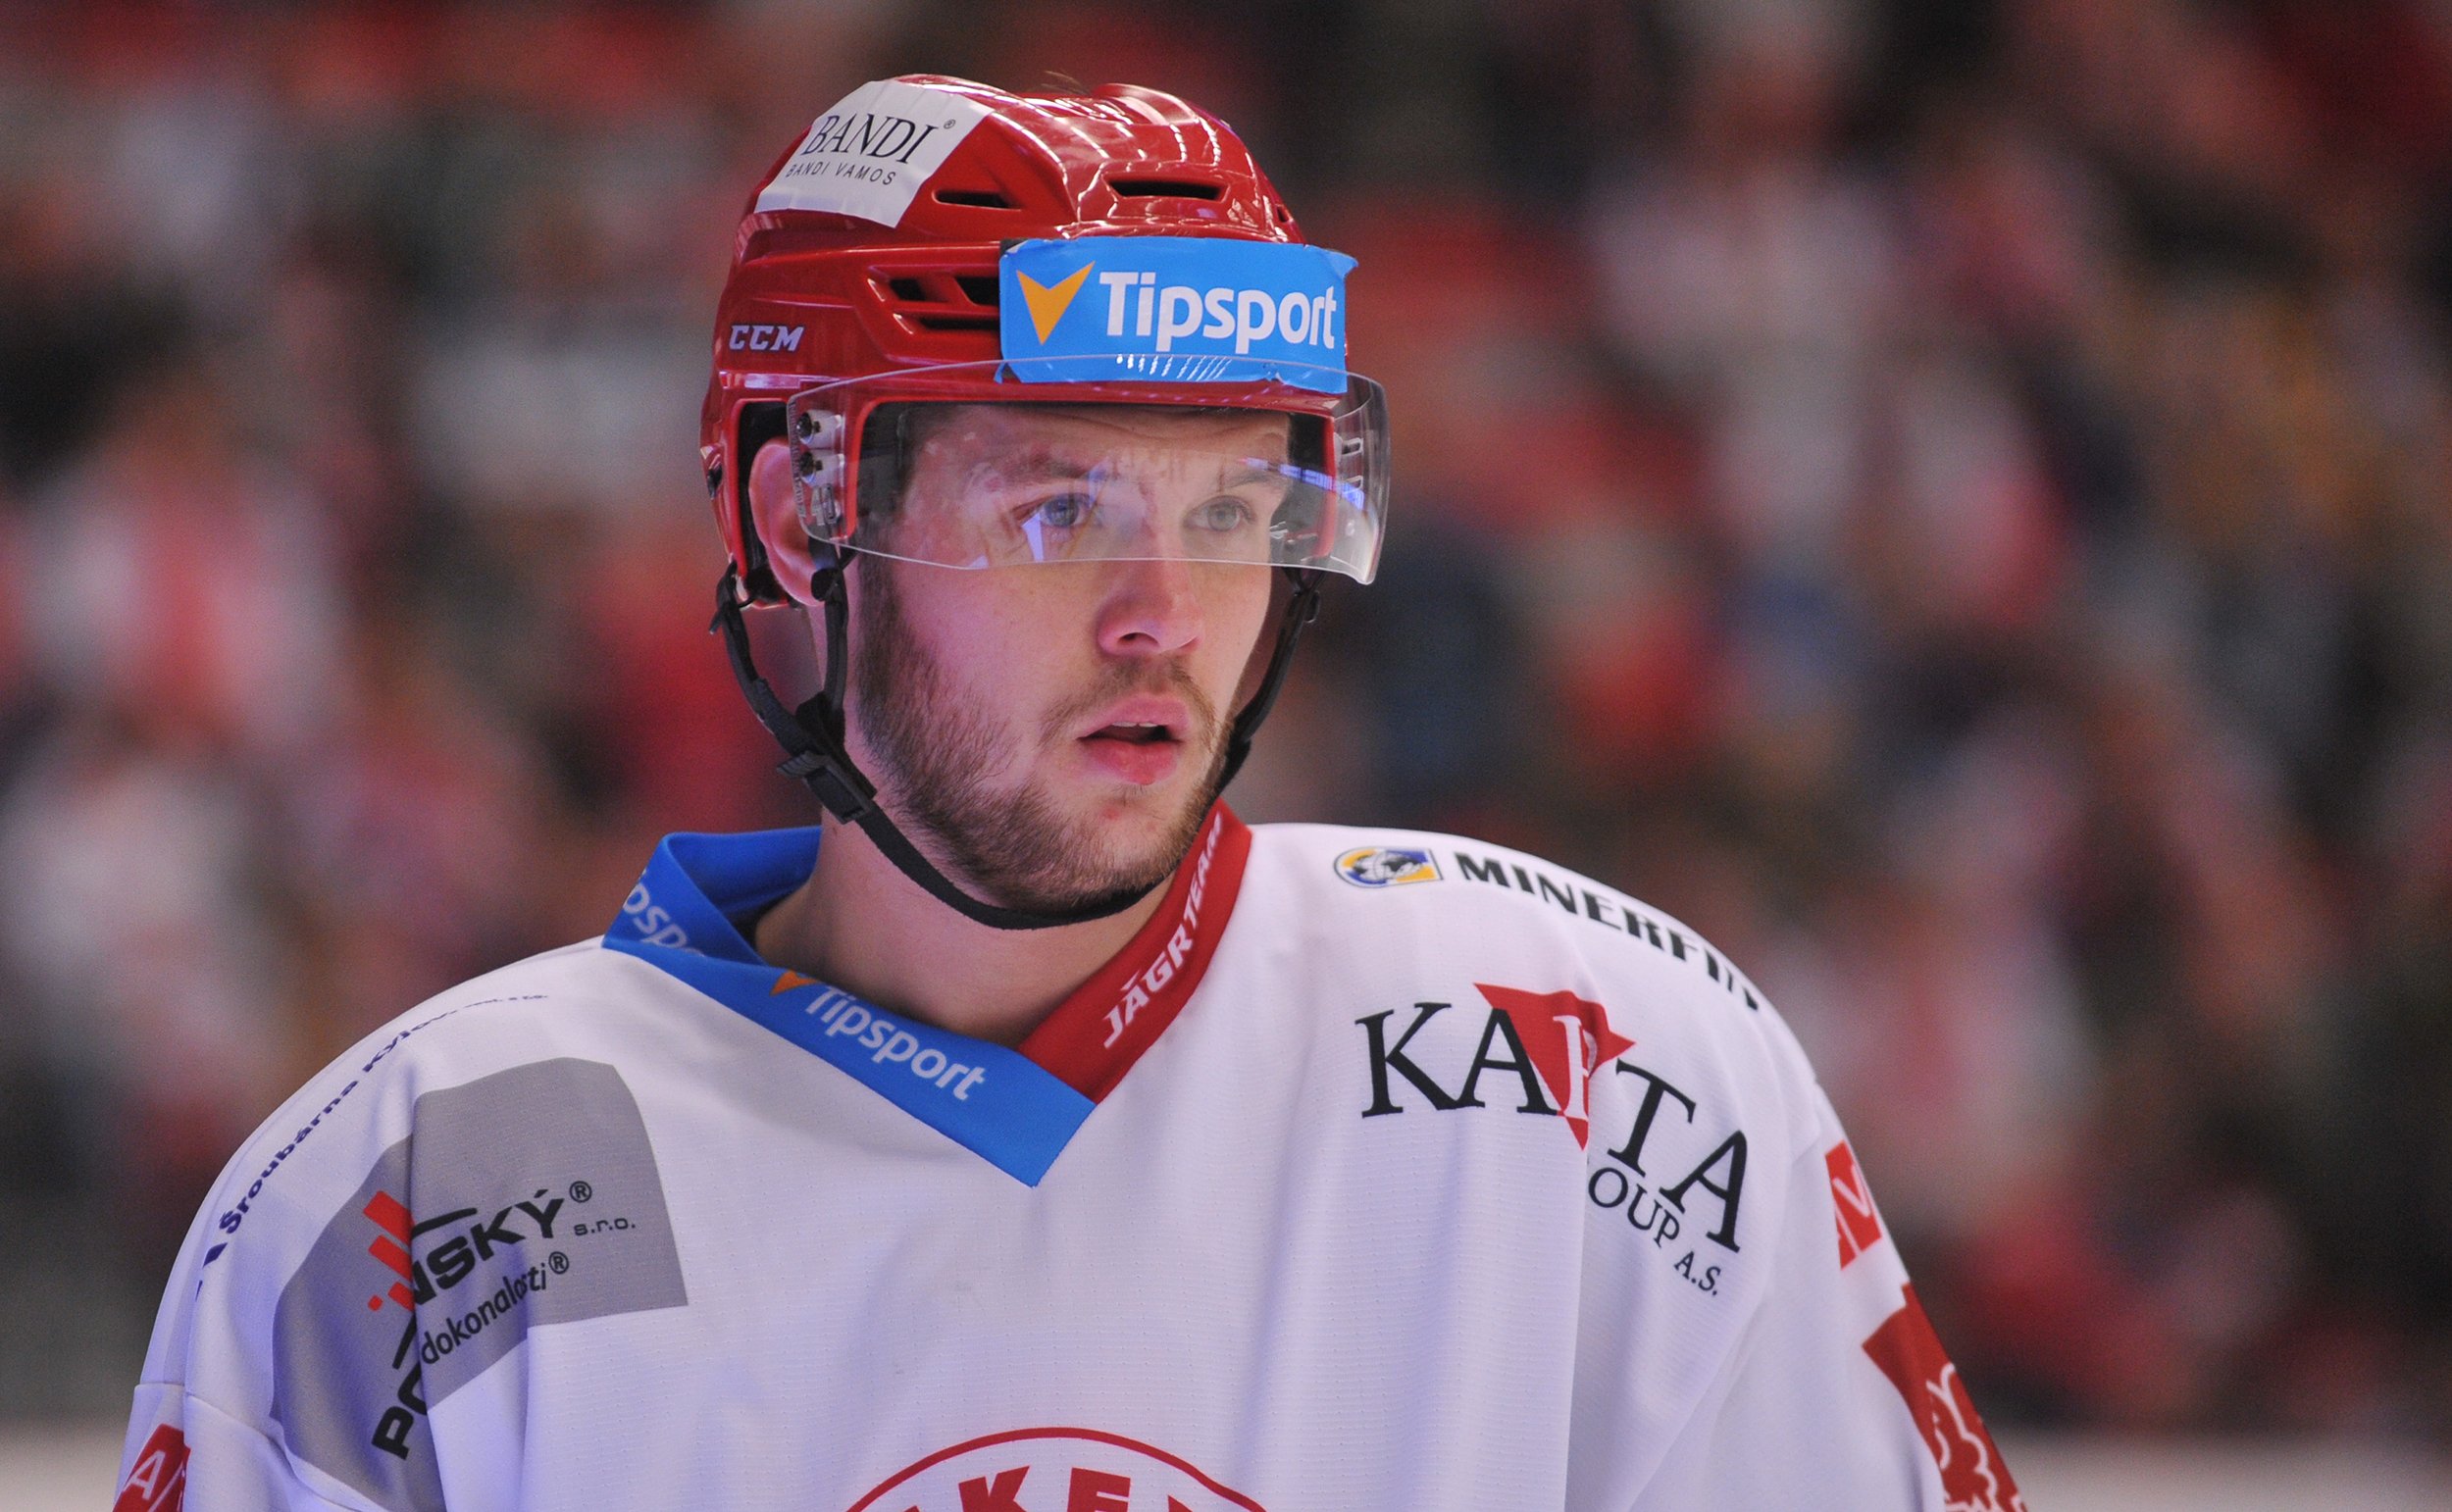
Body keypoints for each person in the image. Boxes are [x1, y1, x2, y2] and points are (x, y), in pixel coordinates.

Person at [116, 76, 2024, 1512]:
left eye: (1234, 508)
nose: (1163, 616)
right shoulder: (432, 1196)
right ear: (797, 519)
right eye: (1059, 510)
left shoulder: (1587, 1066)